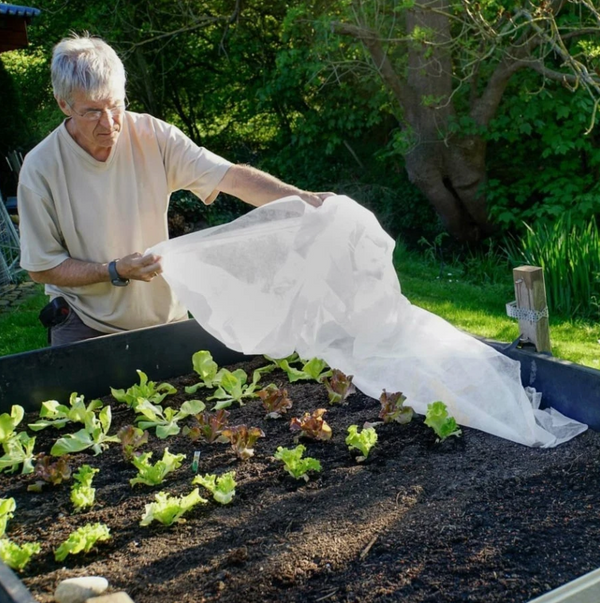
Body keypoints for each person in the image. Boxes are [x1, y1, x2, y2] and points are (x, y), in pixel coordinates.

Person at [18, 34, 331, 347]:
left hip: (163, 318)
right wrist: (113, 270)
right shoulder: (41, 168)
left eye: (115, 104)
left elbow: (230, 177)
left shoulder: (153, 135)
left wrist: (303, 200)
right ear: (64, 104)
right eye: (92, 111)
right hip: (86, 324)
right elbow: (42, 268)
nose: (110, 122)